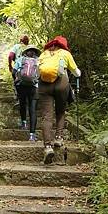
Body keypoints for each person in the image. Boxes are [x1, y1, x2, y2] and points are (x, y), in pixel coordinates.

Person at [38, 35, 81, 164]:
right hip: (61, 84)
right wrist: (78, 73)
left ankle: (47, 147)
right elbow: (76, 72)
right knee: (60, 112)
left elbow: (37, 70)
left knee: (47, 116)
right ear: (63, 45)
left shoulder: (44, 54)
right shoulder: (65, 54)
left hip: (44, 85)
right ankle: (58, 138)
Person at [12, 45, 41, 141]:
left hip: (21, 85)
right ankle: (32, 135)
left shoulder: (20, 59)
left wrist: (16, 80)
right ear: (35, 53)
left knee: (22, 103)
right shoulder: (38, 61)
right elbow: (41, 75)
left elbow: (14, 72)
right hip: (34, 87)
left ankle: (23, 123)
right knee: (33, 110)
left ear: (26, 52)